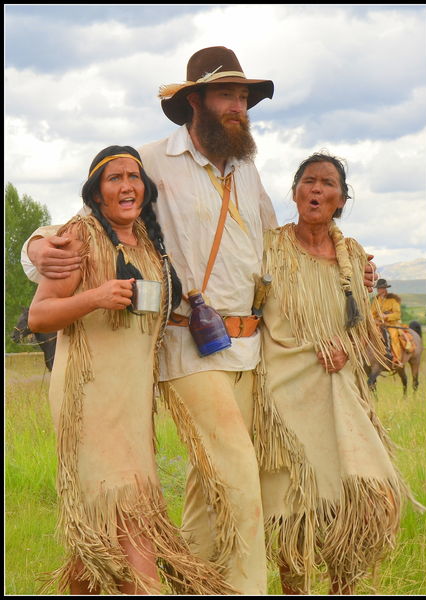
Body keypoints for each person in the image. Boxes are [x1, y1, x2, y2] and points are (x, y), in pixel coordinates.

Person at [21, 47, 377, 594]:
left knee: (208, 492)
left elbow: (276, 249)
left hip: (252, 352)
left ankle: (193, 583)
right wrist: (36, 248)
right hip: (190, 347)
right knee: (239, 481)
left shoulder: (247, 168)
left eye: (244, 98)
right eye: (227, 95)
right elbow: (94, 211)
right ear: (195, 101)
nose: (239, 107)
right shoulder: (151, 161)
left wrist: (348, 259)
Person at [27, 145, 235, 596]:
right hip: (89, 395)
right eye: (114, 178)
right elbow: (40, 316)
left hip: (134, 399)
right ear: (96, 192)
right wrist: (94, 298)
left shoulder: (150, 240)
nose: (127, 186)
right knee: (129, 522)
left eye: (134, 177)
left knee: (99, 534)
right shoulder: (79, 236)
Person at [253, 152, 410, 595]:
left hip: (341, 395)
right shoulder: (269, 247)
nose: (316, 190)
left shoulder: (352, 255)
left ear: (341, 199)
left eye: (327, 184)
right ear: (295, 191)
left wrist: (348, 344)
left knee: (359, 497)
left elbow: (363, 325)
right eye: (308, 181)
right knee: (293, 511)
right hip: (284, 397)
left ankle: (343, 589)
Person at [371, 278, 407, 365]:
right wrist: (373, 318)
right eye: (378, 288)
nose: (379, 290)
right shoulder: (376, 300)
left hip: (391, 324)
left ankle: (396, 359)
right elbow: (372, 313)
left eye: (381, 288)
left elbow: (397, 314)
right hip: (378, 324)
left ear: (385, 289)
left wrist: (386, 316)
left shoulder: (393, 300)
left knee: (392, 336)